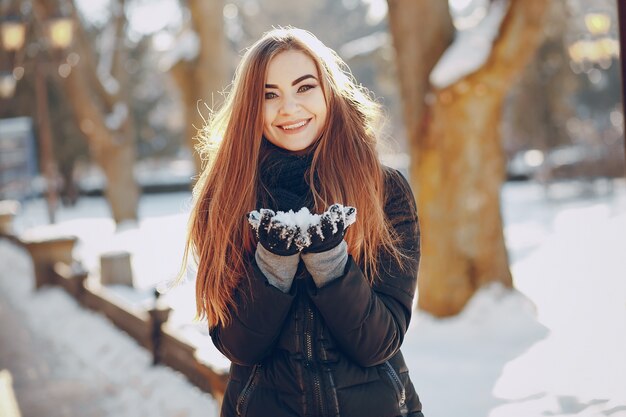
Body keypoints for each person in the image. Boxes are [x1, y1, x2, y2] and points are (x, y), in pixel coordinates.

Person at [181, 27, 423, 417]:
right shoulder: (226, 198)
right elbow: (239, 346)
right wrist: (272, 266)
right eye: (269, 94)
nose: (289, 108)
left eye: (304, 87)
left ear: (328, 92)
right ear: (249, 107)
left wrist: (330, 262)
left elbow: (378, 343)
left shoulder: (383, 191)